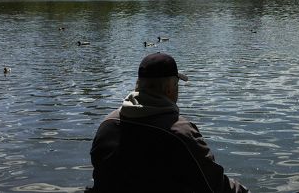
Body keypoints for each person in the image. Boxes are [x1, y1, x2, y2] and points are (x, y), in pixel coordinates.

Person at [89, 52, 249, 192]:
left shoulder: (107, 124)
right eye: (177, 85)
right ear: (169, 89)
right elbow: (214, 187)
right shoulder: (180, 132)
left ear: (138, 85)